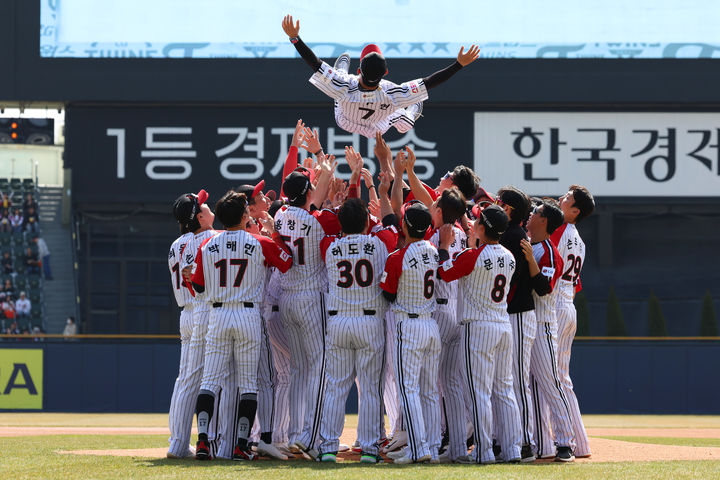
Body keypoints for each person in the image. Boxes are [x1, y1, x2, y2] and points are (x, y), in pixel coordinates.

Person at [191, 190, 292, 461]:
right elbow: (287, 261)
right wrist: (274, 234)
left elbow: (198, 285)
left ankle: (202, 441)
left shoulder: (206, 245)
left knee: (210, 382)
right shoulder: (259, 242)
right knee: (248, 384)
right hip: (248, 315)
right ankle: (241, 445)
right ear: (245, 215)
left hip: (218, 315)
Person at [282, 14, 480, 139]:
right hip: (377, 126)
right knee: (404, 120)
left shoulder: (345, 86)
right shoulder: (391, 92)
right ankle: (411, 114)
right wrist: (458, 65)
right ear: (386, 73)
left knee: (334, 83)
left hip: (344, 119)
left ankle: (339, 71)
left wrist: (295, 38)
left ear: (359, 70)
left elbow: (315, 63)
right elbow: (429, 82)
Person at [317, 160, 397, 464]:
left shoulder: (330, 247)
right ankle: (369, 448)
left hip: (338, 321)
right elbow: (390, 223)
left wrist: (343, 194)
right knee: (371, 388)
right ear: (366, 221)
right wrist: (375, 187)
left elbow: (329, 224)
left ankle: (327, 446)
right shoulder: (379, 243)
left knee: (336, 386)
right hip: (368, 321)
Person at [437, 204, 523, 464]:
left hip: (478, 327)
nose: (473, 224)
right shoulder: (509, 255)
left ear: (483, 228)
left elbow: (445, 273)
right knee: (504, 390)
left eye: (477, 222)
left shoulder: (471, 255)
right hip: (502, 325)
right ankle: (512, 450)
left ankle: (484, 452)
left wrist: (443, 247)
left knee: (479, 392)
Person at [275, 151, 340, 459]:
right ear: (308, 193)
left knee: (300, 369)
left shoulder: (279, 216)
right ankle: (309, 437)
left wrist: (320, 171)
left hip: (287, 298)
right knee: (321, 368)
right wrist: (324, 170)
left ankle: (295, 433)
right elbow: (316, 205)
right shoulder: (316, 222)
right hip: (311, 297)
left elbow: (311, 198)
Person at [380, 201, 441, 464]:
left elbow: (388, 293)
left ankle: (418, 448)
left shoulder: (397, 257)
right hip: (430, 324)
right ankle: (432, 447)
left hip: (410, 325)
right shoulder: (435, 251)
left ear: (404, 225)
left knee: (409, 390)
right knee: (429, 392)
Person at [521, 198, 576, 462]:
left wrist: (530, 259)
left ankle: (566, 443)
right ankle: (536, 444)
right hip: (526, 323)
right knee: (526, 388)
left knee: (552, 384)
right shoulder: (531, 244)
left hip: (543, 325)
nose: (530, 215)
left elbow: (544, 287)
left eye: (535, 212)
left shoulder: (550, 251)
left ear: (544, 221)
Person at [545, 185, 595, 459]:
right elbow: (575, 285)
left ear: (574, 210)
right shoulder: (580, 240)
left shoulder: (561, 231)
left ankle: (565, 440)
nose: (562, 199)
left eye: (567, 198)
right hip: (568, 305)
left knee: (551, 377)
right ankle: (581, 442)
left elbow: (550, 269)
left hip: (555, 306)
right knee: (561, 378)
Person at [496, 186, 537, 461]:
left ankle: (525, 441)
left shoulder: (515, 236)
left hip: (519, 314)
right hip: (510, 314)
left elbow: (511, 282)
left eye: (500, 203)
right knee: (508, 380)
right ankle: (511, 438)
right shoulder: (510, 233)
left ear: (508, 209)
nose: (497, 205)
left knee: (519, 381)